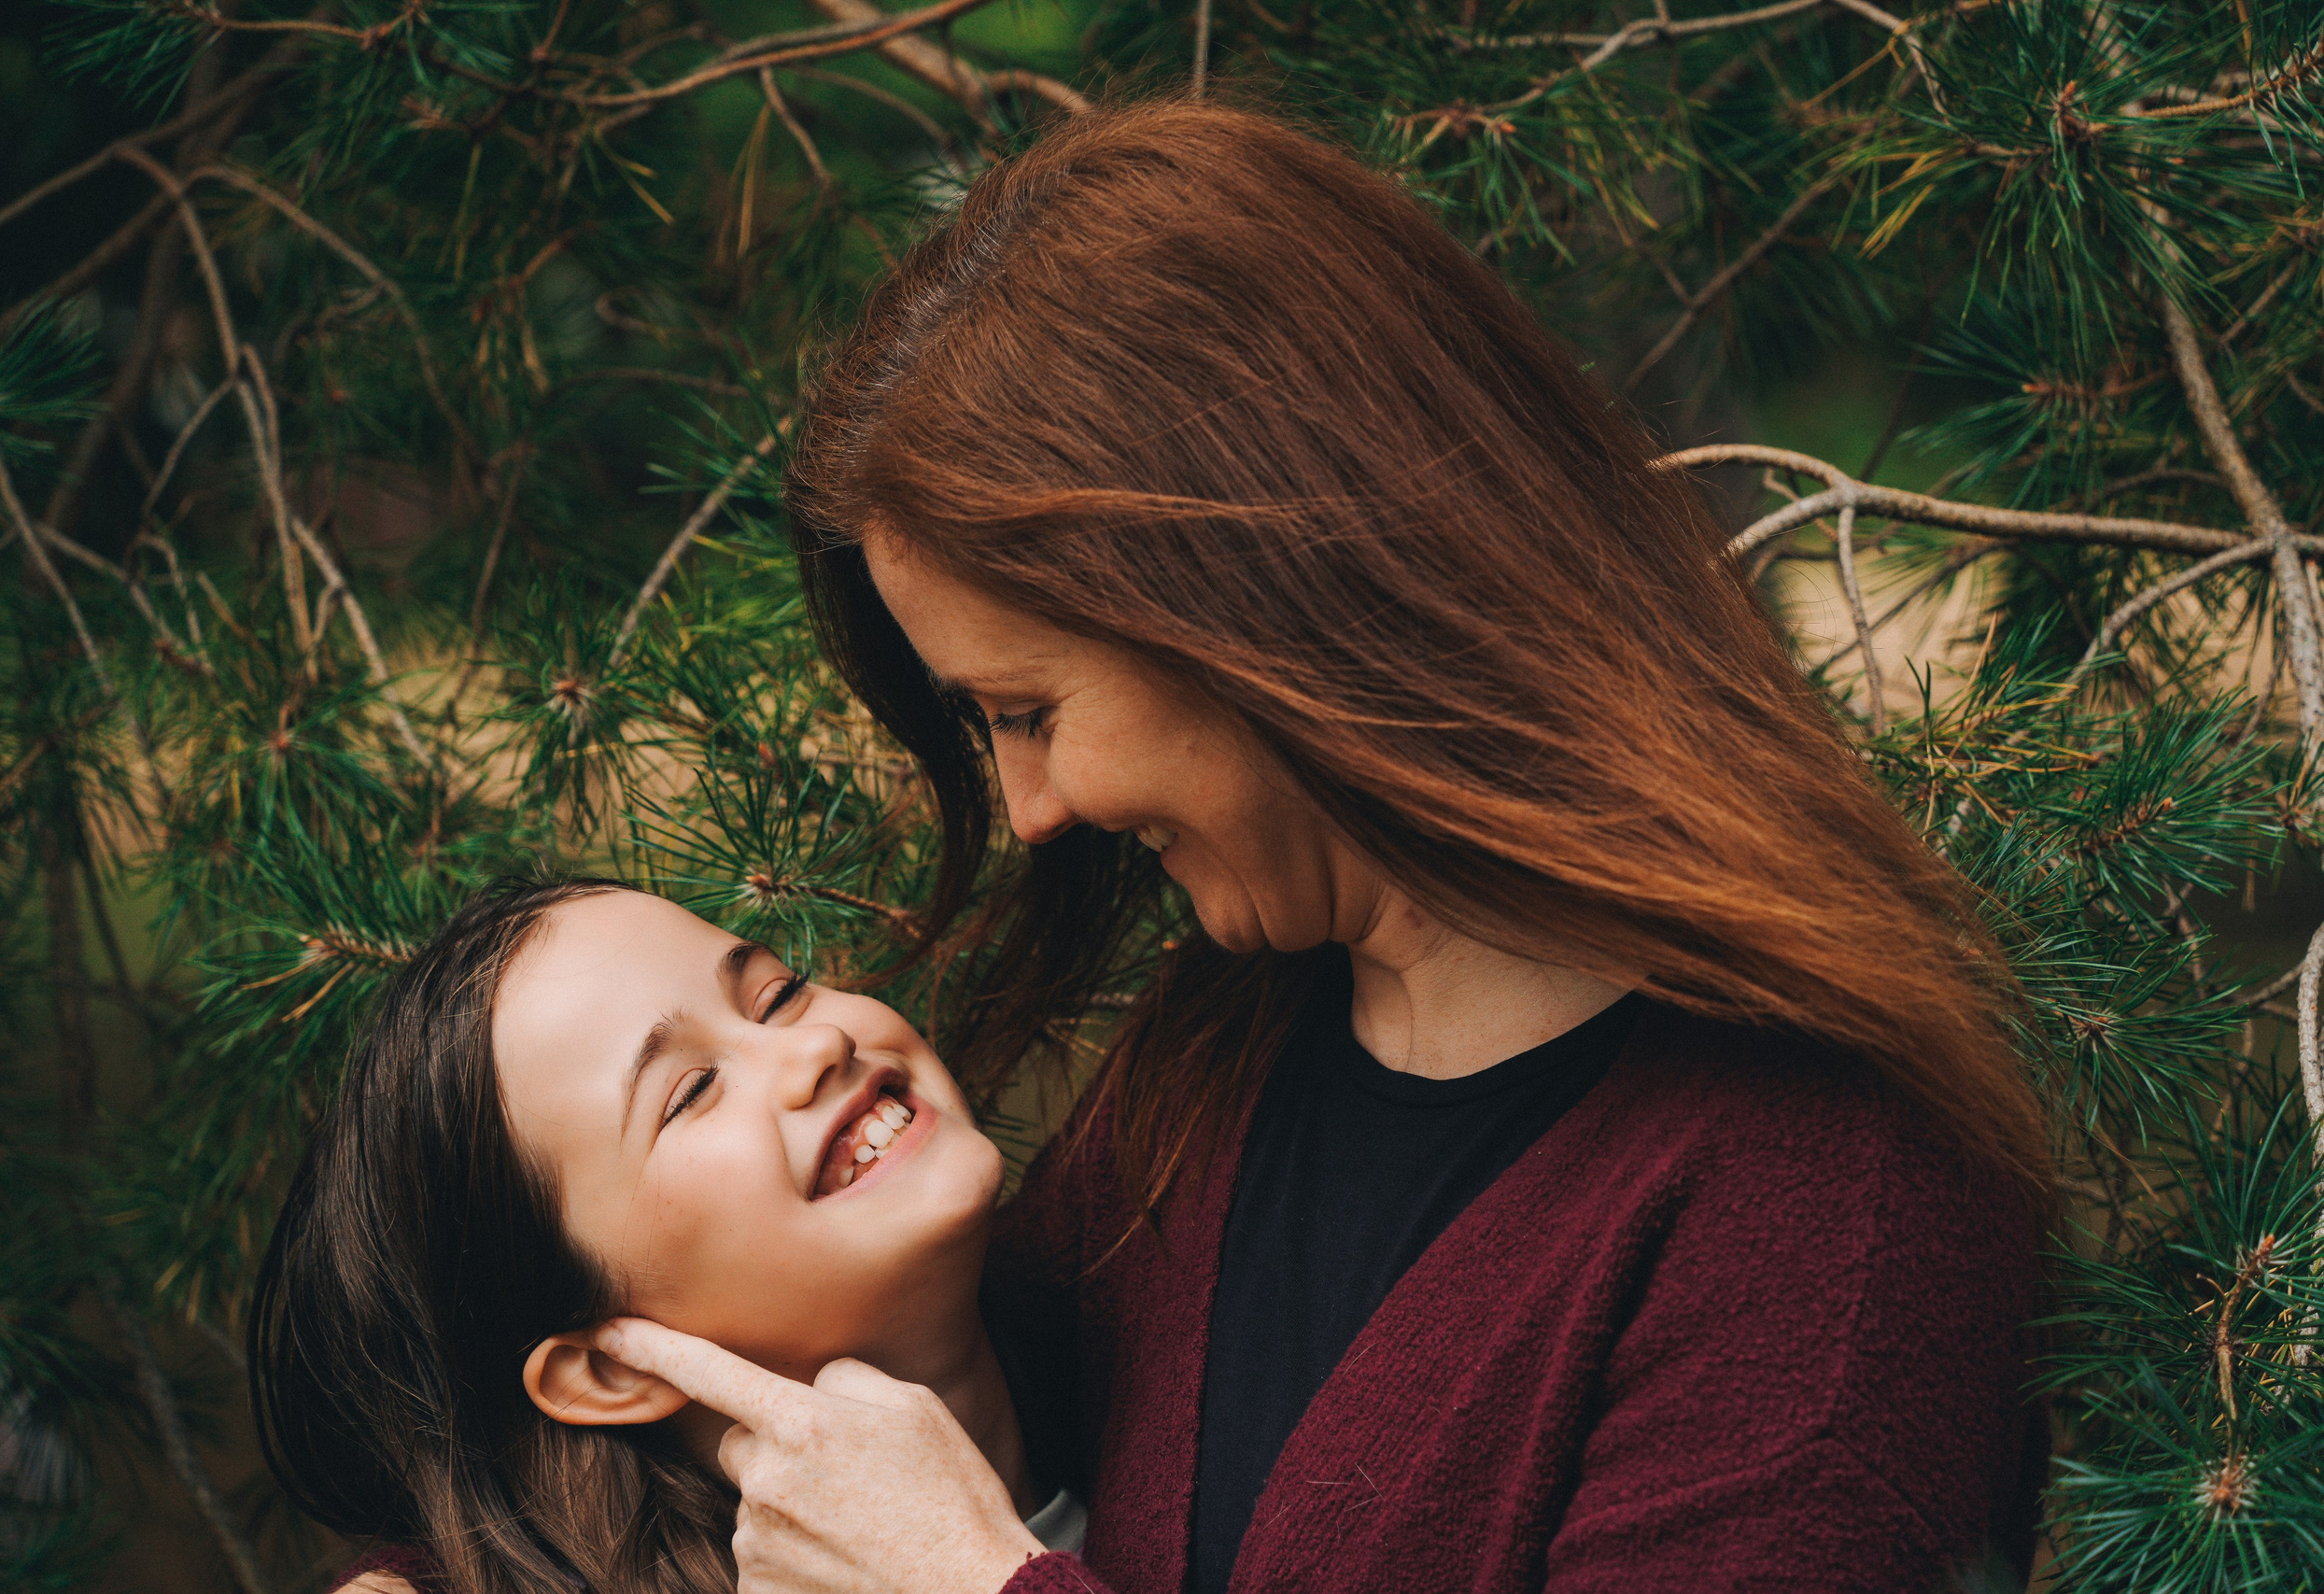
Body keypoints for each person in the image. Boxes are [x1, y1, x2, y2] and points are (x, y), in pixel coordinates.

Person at [594, 95, 2055, 1593]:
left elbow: (930, 1539)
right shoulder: (1238, 1038)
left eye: (1028, 706)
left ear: (1261, 606)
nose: (1031, 809)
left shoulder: (1827, 1196)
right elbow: (849, 1412)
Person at [248, 881, 1083, 1594]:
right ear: (611, 1368)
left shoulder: (1173, 1248)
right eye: (689, 1092)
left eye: (777, 993)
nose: (815, 1043)